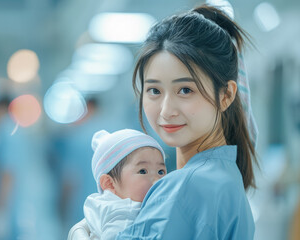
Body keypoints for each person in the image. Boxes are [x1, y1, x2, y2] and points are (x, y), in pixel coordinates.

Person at [70, 3, 259, 239]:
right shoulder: (227, 176)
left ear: (226, 95)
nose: (166, 111)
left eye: (185, 90)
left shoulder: (185, 187)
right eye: (154, 91)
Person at [68, 129, 166, 240]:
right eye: (143, 171)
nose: (157, 180)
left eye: (161, 171)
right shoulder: (124, 214)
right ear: (109, 184)